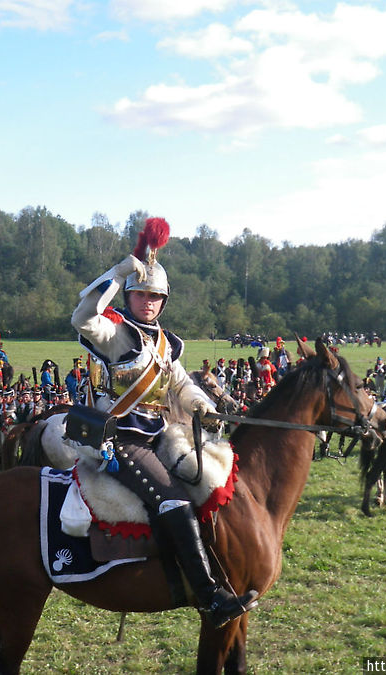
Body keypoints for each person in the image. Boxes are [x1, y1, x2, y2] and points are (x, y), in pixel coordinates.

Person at [70, 216, 258, 629]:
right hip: (121, 438)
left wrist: (203, 406)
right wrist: (119, 273)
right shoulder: (116, 334)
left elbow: (179, 384)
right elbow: (82, 318)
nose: (148, 302)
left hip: (158, 433)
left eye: (155, 296)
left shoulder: (165, 343)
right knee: (173, 499)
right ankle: (210, 597)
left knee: (203, 480)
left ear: (164, 300)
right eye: (141, 295)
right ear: (131, 296)